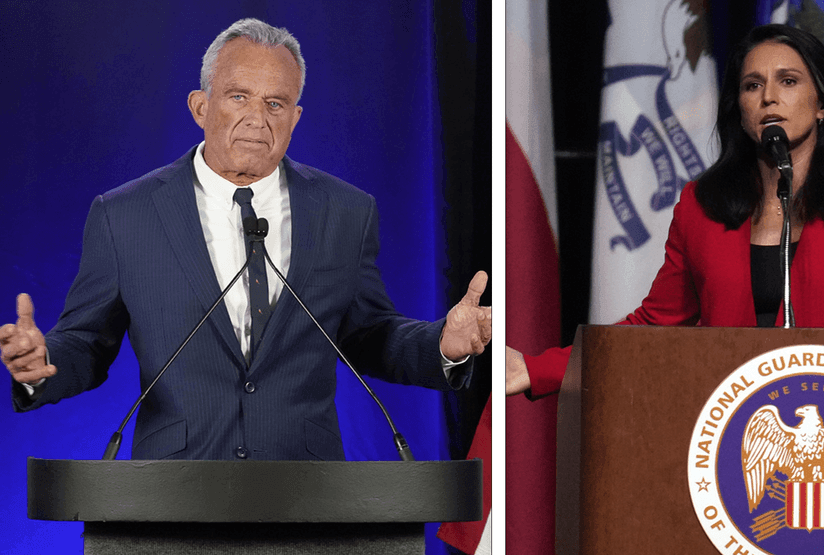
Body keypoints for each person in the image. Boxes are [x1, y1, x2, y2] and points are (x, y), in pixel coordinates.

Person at [0, 18, 491, 461]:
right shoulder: (125, 215)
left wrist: (443, 346)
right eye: (238, 96)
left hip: (309, 494)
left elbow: (369, 336)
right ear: (200, 106)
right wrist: (43, 362)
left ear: (295, 118)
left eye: (275, 103)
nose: (258, 117)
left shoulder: (345, 211)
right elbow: (87, 341)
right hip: (171, 494)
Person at [506, 24, 824, 398]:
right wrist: (538, 368)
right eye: (752, 86)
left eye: (789, 81)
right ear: (739, 110)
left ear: (822, 105)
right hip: (722, 435)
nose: (769, 97)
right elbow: (653, 328)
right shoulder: (702, 207)